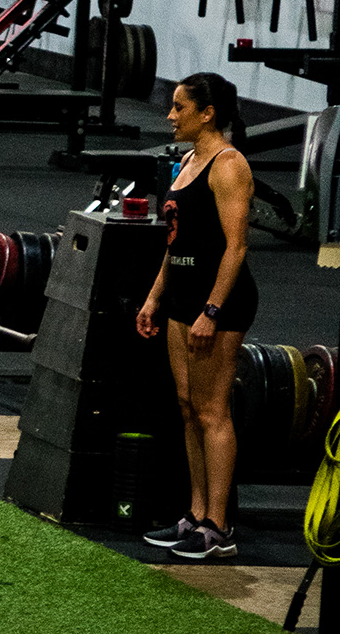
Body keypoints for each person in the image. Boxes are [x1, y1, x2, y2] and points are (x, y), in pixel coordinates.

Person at [135, 73, 257, 560]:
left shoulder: (229, 165)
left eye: (179, 107)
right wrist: (153, 298)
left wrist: (212, 310)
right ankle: (195, 514)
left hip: (219, 303)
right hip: (182, 298)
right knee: (187, 406)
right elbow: (175, 242)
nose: (170, 115)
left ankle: (219, 529)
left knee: (212, 411)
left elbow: (236, 248)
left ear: (207, 114)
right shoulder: (187, 162)